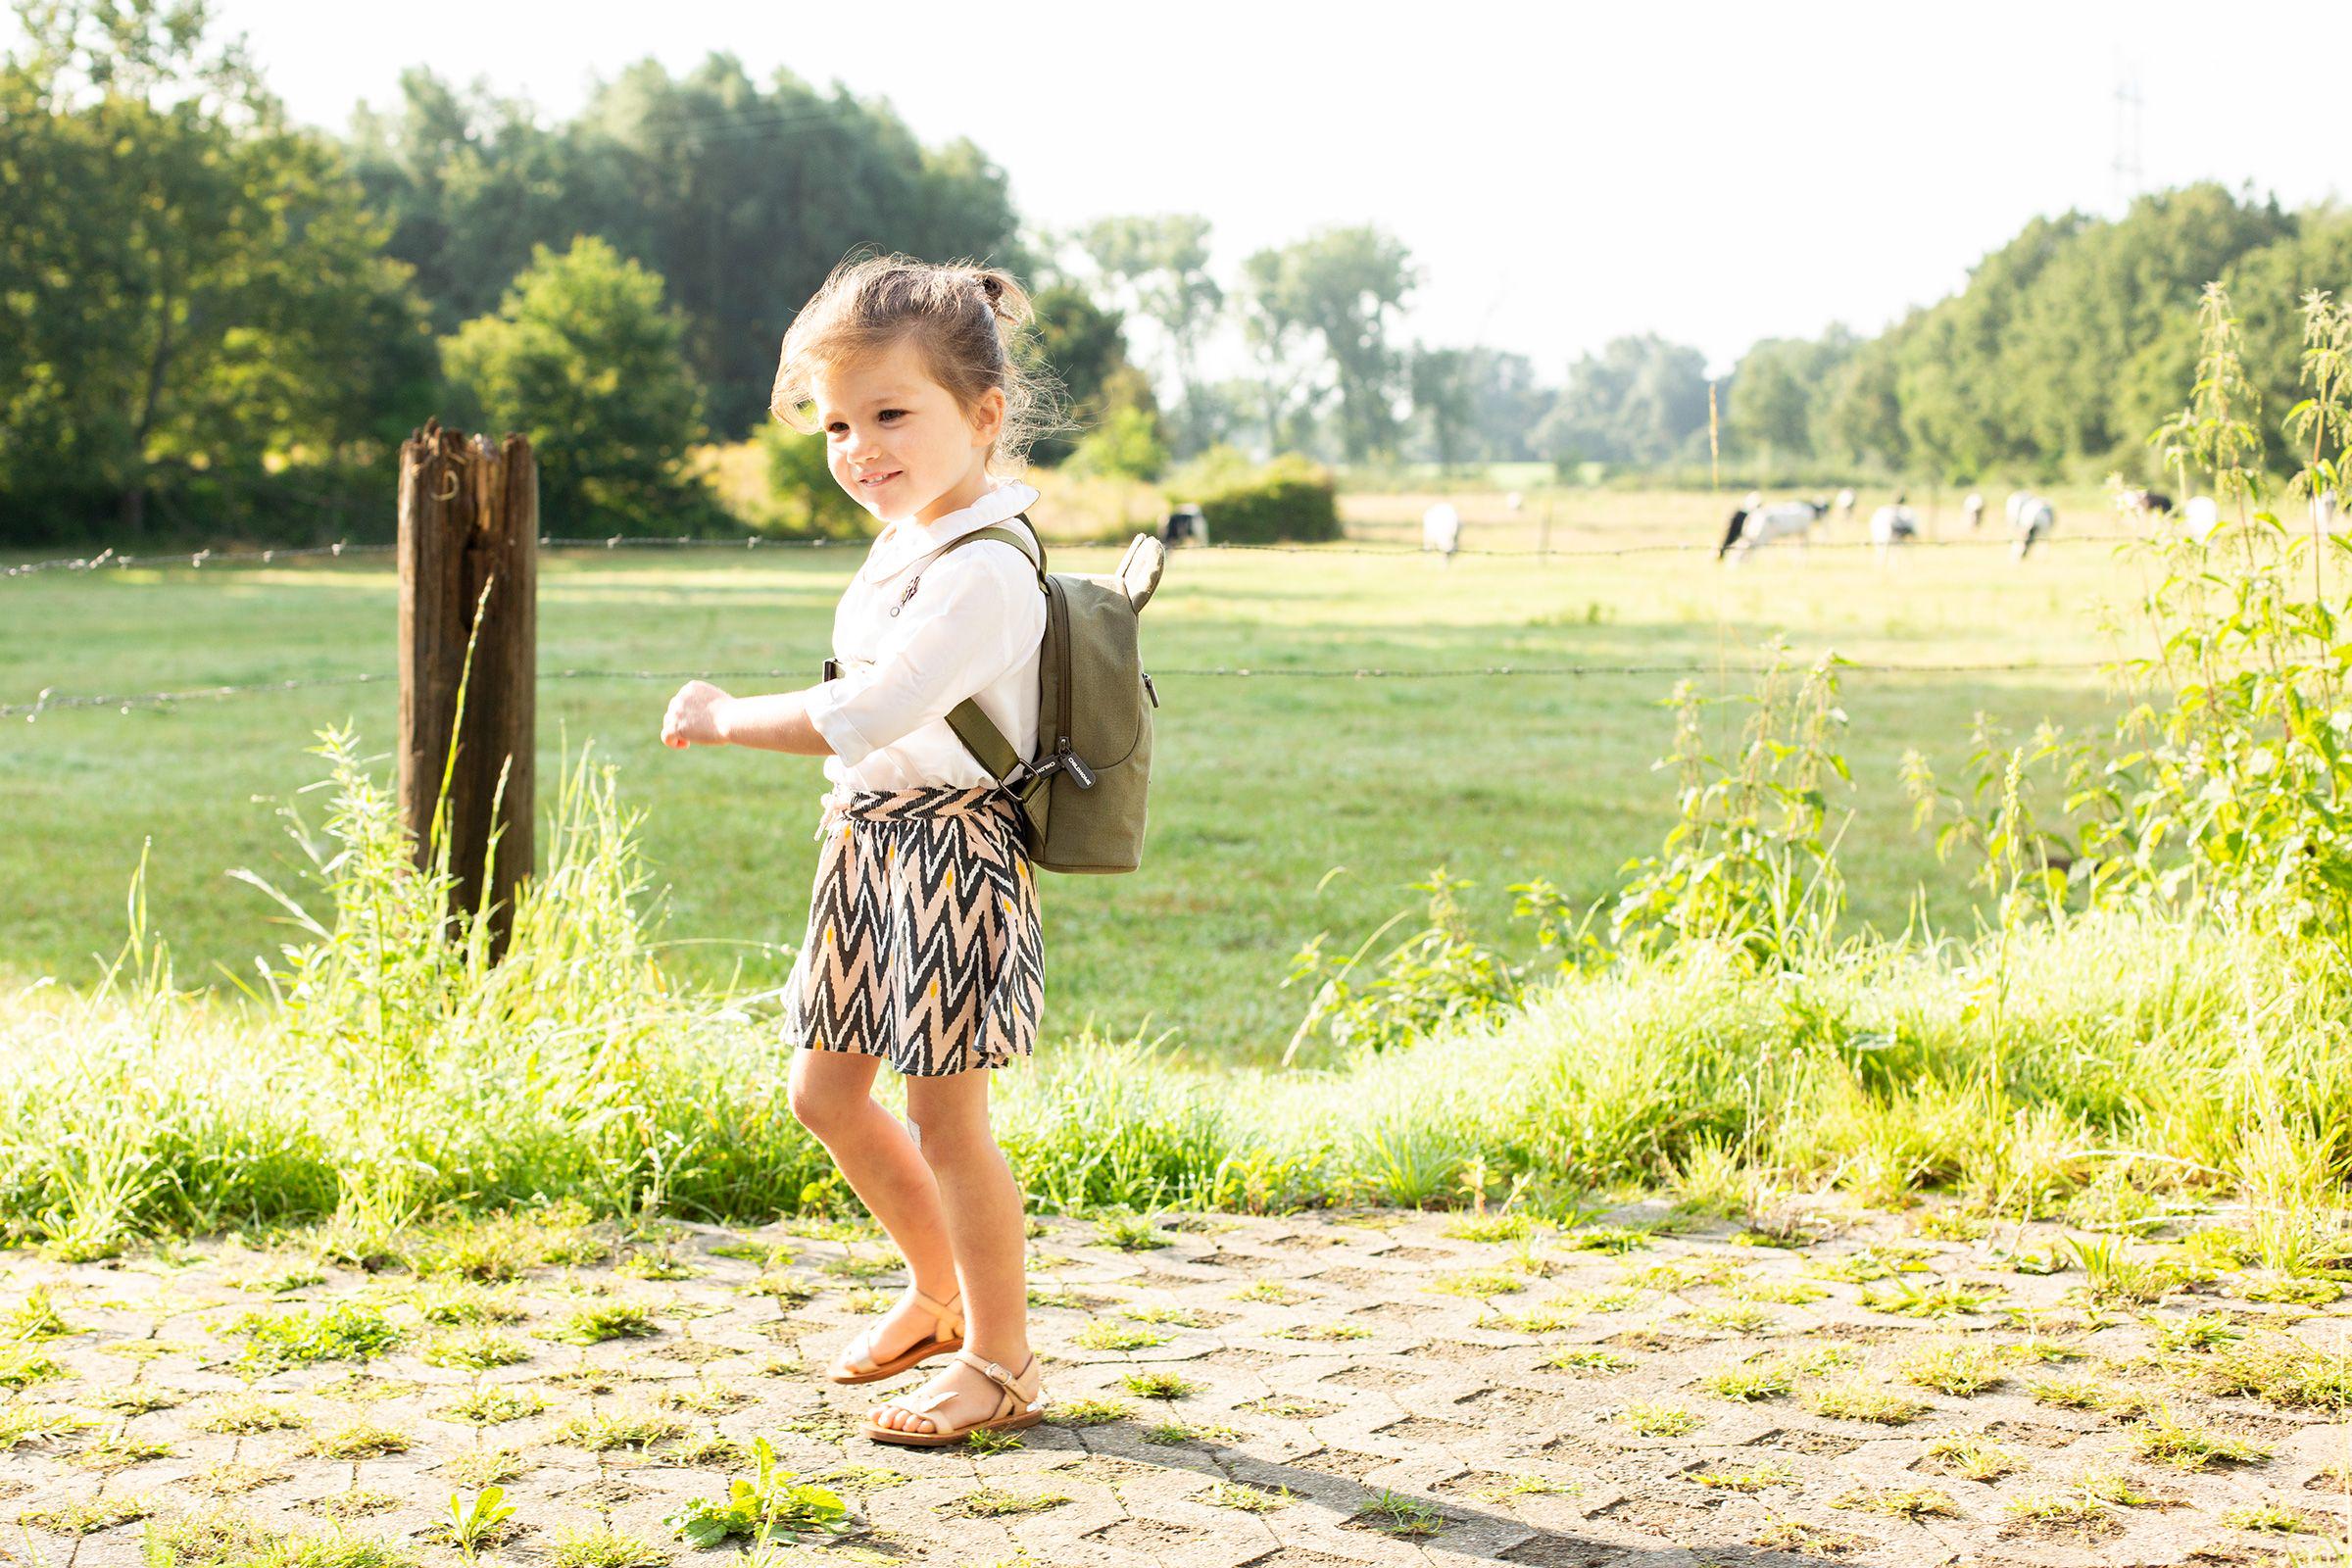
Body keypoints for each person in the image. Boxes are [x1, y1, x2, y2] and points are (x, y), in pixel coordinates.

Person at [659, 254, 1054, 1446]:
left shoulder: (986, 569)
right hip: (868, 848)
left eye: (890, 414)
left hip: (949, 859)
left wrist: (724, 715)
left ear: (983, 416)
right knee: (825, 1092)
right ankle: (938, 1296)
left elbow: (870, 711)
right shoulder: (911, 543)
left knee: (947, 1121)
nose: (859, 447)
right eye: (837, 424)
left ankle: (1003, 1360)